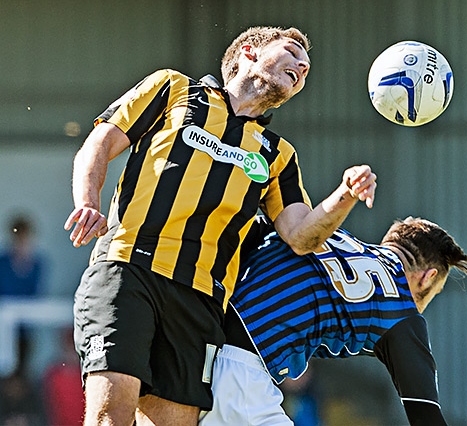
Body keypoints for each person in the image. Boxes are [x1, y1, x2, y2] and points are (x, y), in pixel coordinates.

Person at [63, 26, 377, 426]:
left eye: (307, 67)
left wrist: (345, 195)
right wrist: (88, 203)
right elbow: (99, 144)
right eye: (293, 52)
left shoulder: (278, 154)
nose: (302, 66)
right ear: (248, 51)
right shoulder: (173, 89)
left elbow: (301, 236)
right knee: (111, 416)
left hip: (199, 300)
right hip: (129, 269)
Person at [200, 216, 467, 426]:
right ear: (427, 277)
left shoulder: (321, 233)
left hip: (197, 338)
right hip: (240, 373)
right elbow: (424, 412)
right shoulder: (401, 307)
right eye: (432, 294)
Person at [0, 214, 45, 297]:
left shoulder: (38, 264)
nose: (22, 244)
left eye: (25, 240)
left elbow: (37, 295)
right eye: (19, 240)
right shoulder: (2, 263)